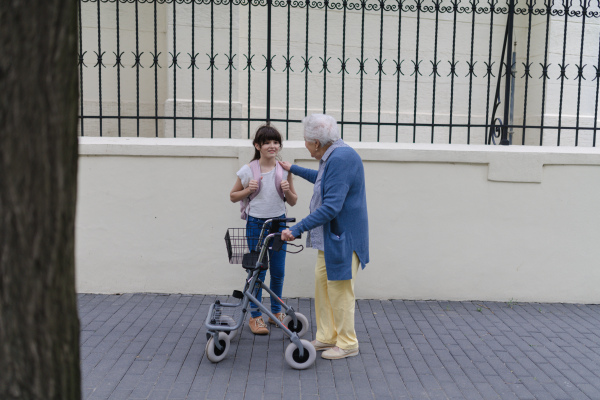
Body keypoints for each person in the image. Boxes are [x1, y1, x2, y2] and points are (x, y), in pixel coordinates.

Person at [280, 114, 369, 360]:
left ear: (317, 143)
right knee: (323, 285)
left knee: (340, 291)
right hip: (329, 238)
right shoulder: (332, 155)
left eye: (307, 143)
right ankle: (327, 336)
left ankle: (348, 343)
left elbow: (331, 207)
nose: (307, 148)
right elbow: (322, 182)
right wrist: (293, 169)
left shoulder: (341, 158)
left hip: (343, 238)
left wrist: (296, 229)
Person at [230, 124, 298, 335]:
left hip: (278, 223)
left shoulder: (285, 169)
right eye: (267, 142)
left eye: (276, 142)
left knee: (278, 271)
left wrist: (287, 191)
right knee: (257, 271)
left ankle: (276, 312)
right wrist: (248, 190)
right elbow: (233, 196)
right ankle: (255, 316)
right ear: (258, 146)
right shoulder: (248, 170)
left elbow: (293, 202)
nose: (272, 146)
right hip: (256, 224)